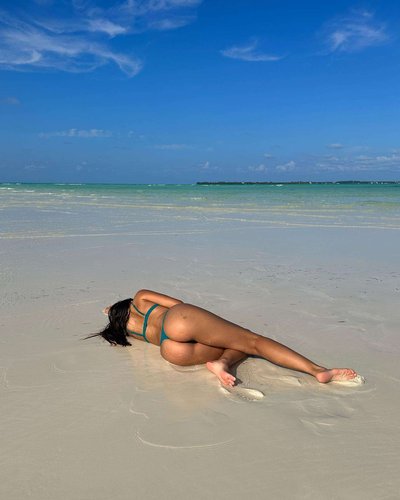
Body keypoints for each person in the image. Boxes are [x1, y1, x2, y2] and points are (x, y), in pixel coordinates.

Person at [88, 289, 360, 387]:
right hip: (178, 320)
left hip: (170, 351)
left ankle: (222, 364)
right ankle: (318, 371)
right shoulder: (139, 298)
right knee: (252, 341)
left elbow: (117, 316)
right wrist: (114, 307)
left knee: (232, 345)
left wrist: (112, 314)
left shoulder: (129, 331)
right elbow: (177, 304)